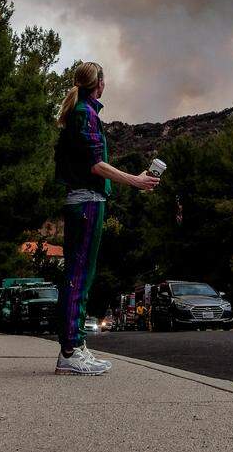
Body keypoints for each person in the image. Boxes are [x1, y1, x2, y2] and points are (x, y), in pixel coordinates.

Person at [52, 62, 159, 375]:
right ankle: (70, 351)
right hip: (86, 203)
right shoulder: (85, 114)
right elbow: (96, 165)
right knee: (78, 276)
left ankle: (76, 347)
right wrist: (136, 181)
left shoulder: (83, 111)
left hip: (86, 201)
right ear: (99, 83)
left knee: (81, 275)